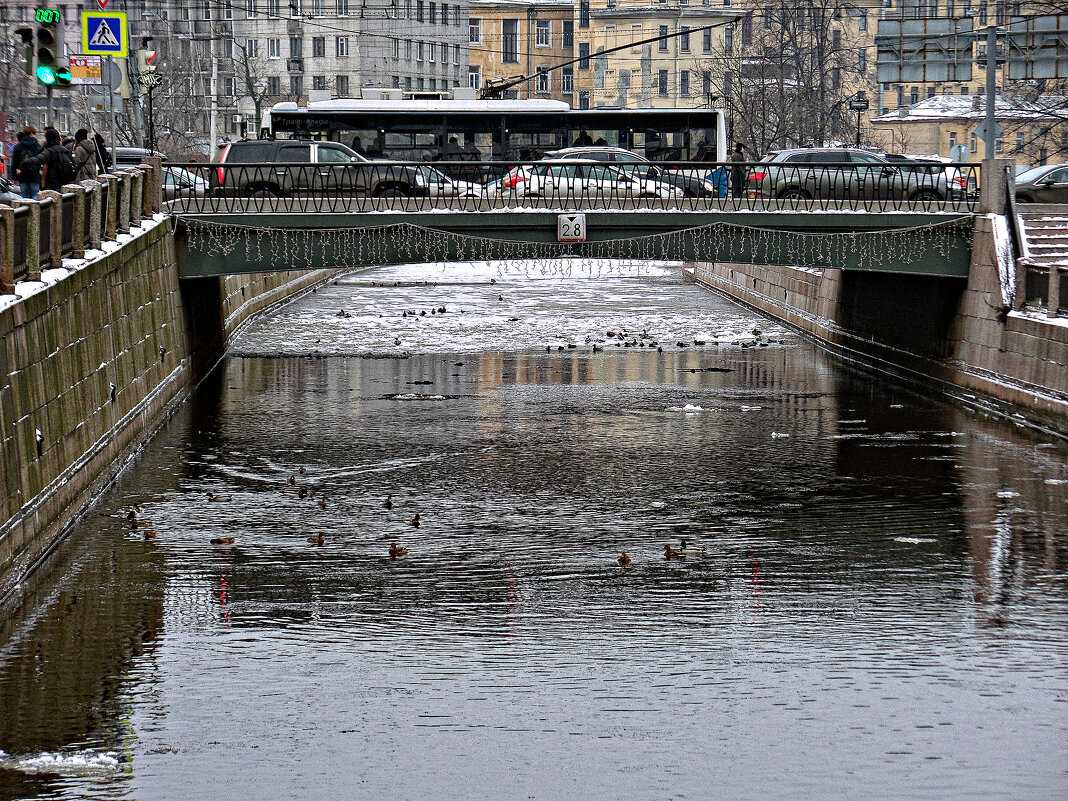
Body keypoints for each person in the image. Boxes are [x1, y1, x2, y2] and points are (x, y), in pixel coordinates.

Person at [10, 126, 42, 199]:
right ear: (31, 134)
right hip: (35, 175)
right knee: (35, 196)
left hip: (22, 175)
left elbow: (14, 163)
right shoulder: (38, 146)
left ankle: (27, 209)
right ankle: (35, 210)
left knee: (25, 196)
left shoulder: (18, 147)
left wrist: (14, 177)